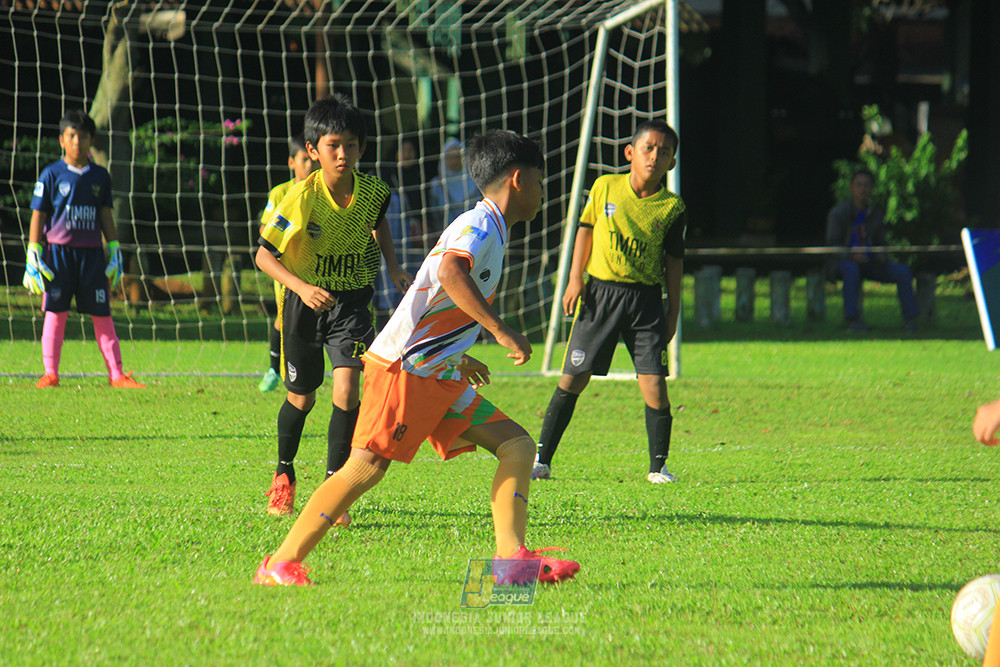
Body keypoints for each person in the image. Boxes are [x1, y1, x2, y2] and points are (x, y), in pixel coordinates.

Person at [252, 129, 581, 587]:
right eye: (542, 182)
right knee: (366, 467)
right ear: (519, 180)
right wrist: (500, 330)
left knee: (518, 447)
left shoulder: (492, 227)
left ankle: (511, 559)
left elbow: (437, 296)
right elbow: (448, 271)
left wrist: (459, 356)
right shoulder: (480, 224)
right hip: (406, 370)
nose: (545, 192)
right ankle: (280, 563)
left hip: (437, 372)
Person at [255, 94, 412, 518]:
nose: (343, 154)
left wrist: (394, 266)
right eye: (333, 146)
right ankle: (283, 475)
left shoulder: (375, 191)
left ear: (362, 147)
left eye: (351, 145)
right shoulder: (300, 198)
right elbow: (264, 255)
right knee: (302, 398)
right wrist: (302, 288)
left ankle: (333, 487)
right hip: (305, 305)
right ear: (312, 150)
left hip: (353, 303)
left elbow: (377, 223)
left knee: (346, 389)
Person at [532, 119, 686, 484]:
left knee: (654, 384)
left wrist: (673, 313)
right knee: (573, 378)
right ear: (630, 153)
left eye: (664, 152)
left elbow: (675, 263)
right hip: (600, 296)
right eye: (648, 148)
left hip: (646, 302)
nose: (655, 156)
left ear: (671, 163)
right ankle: (542, 460)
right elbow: (585, 230)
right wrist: (574, 278)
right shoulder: (605, 188)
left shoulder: (672, 207)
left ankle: (658, 467)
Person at [23, 109, 145, 390]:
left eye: (84, 136)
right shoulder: (51, 174)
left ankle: (117, 375)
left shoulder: (100, 176)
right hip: (58, 255)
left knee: (102, 313)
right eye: (72, 135)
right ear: (62, 140)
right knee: (55, 312)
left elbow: (105, 213)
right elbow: (38, 214)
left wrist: (114, 248)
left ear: (91, 140)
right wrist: (33, 250)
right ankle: (50, 373)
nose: (78, 141)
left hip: (91, 256)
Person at [257, 134, 317, 392]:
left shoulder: (321, 190)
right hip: (286, 268)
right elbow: (264, 231)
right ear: (292, 162)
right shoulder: (280, 192)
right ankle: (274, 369)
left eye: (311, 160)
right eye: (303, 160)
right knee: (284, 318)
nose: (309, 166)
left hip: (314, 266)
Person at [825, 168, 918, 333]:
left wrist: (881, 255)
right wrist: (851, 255)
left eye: (867, 186)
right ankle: (853, 320)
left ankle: (911, 320)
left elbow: (881, 242)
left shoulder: (875, 214)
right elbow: (833, 246)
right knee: (851, 270)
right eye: (859, 185)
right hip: (844, 263)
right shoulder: (838, 213)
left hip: (871, 262)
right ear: (852, 188)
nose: (863, 190)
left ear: (872, 189)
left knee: (902, 272)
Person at [375, 136, 425, 316]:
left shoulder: (420, 177)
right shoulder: (387, 176)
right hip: (393, 237)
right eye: (403, 150)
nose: (407, 155)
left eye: (411, 151)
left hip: (415, 240)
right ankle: (385, 310)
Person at [429, 137, 480, 229]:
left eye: (458, 157)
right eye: (451, 157)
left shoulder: (475, 181)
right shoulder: (437, 184)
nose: (455, 161)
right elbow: (434, 217)